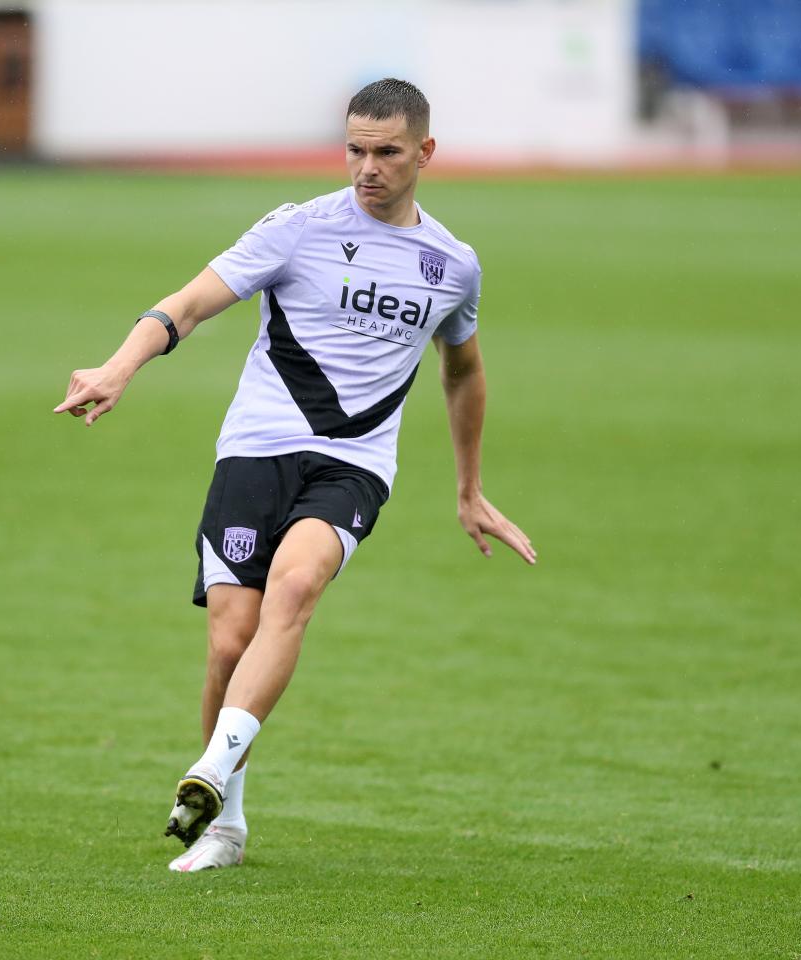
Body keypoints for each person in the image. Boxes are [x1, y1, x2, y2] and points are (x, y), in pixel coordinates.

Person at [54, 78, 536, 873]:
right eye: (355, 149)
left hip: (354, 465)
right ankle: (226, 824)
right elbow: (190, 303)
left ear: (426, 152)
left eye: (386, 152)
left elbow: (463, 372)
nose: (367, 167)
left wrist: (468, 487)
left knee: (298, 584)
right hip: (256, 449)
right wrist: (119, 366)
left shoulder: (453, 265)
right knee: (228, 641)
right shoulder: (298, 229)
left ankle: (212, 765)